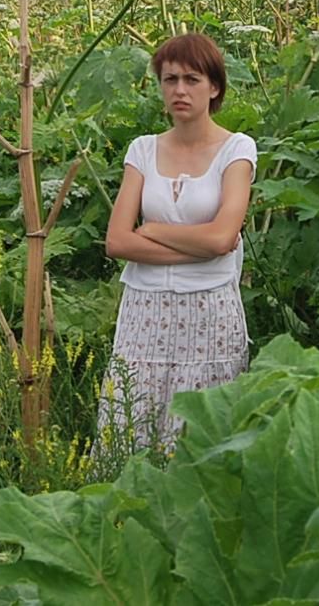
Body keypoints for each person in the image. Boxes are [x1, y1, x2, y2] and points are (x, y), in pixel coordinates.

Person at [96, 32, 256, 457]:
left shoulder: (237, 150)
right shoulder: (143, 150)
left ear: (215, 87)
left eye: (192, 79)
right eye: (170, 80)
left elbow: (223, 237)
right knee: (130, 430)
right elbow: (116, 241)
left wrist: (151, 230)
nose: (180, 91)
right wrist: (200, 246)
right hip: (144, 315)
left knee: (200, 440)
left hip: (210, 314)